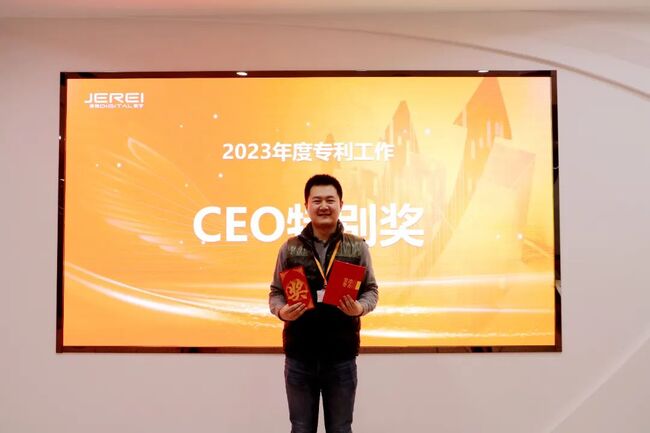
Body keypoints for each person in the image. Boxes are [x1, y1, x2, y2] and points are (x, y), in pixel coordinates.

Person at [269, 174, 378, 433]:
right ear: (306, 205)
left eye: (330, 200)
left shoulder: (357, 247)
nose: (324, 206)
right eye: (317, 200)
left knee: (340, 428)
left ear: (341, 204)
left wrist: (360, 308)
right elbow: (275, 292)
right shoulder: (290, 248)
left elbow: (371, 290)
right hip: (299, 356)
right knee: (300, 428)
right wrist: (282, 311)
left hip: (341, 356)